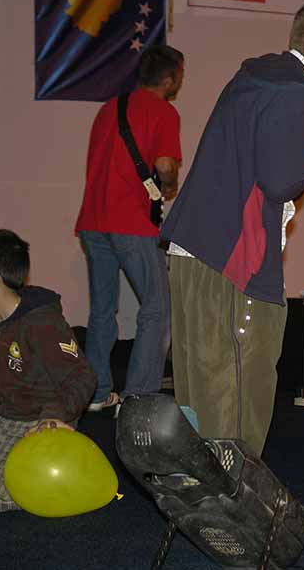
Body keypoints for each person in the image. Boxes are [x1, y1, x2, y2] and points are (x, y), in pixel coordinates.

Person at [161, 0, 304, 457]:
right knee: (239, 379)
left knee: (200, 379)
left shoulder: (260, 75)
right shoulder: (297, 93)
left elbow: (256, 160)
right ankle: (235, 499)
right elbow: (279, 180)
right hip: (233, 259)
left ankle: (211, 492)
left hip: (195, 249)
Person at [75, 45, 183, 413]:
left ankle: (97, 391)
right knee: (156, 309)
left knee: (101, 312)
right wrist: (168, 186)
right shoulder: (164, 113)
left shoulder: (109, 109)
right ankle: (138, 398)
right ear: (170, 79)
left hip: (92, 221)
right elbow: (165, 166)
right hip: (132, 224)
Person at [0, 230, 97, 512]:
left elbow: (82, 375)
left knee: (12, 491)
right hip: (4, 414)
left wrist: (52, 417)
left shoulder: (41, 323)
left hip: (36, 423)